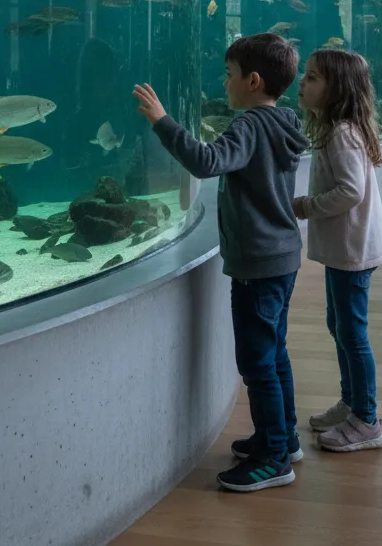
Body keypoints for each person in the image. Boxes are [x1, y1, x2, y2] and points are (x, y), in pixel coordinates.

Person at [132, 33, 309, 493]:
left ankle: (273, 459)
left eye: (229, 75)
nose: (224, 83)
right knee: (275, 353)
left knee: (257, 362)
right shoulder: (285, 121)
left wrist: (162, 121)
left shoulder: (249, 126)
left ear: (253, 81)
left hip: (258, 264)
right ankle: (283, 438)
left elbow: (207, 162)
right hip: (283, 256)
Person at [293, 49, 382, 453]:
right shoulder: (334, 129)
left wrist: (305, 206)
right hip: (346, 249)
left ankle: (366, 419)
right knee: (341, 326)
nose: (302, 82)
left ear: (338, 89)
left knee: (352, 333)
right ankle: (352, 403)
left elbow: (351, 191)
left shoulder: (342, 134)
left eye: (312, 77)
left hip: (353, 249)